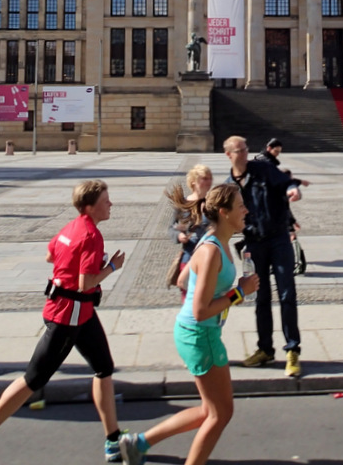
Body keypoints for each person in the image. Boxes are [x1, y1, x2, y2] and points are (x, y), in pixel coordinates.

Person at [0, 180, 126, 465]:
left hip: (78, 311)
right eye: (106, 199)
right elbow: (85, 282)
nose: (110, 203)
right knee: (33, 379)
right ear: (90, 206)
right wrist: (111, 267)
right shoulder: (90, 235)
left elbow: (51, 254)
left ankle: (113, 441)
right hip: (69, 316)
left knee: (104, 368)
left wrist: (74, 266)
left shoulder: (70, 227)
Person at [118, 184, 259, 465]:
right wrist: (237, 293)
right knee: (221, 414)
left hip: (200, 333)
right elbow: (199, 311)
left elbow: (183, 281)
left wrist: (222, 295)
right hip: (199, 334)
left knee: (211, 410)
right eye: (241, 205)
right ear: (224, 212)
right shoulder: (211, 251)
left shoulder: (215, 242)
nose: (246, 210)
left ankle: (138, 444)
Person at [224, 135, 305, 377]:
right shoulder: (229, 185)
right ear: (228, 155)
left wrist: (293, 190)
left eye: (245, 148)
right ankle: (265, 349)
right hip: (253, 244)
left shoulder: (263, 169)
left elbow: (285, 183)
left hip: (278, 239)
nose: (244, 154)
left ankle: (292, 351)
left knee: (287, 294)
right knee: (260, 298)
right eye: (239, 150)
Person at [168, 165, 213, 299]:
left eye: (210, 178)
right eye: (204, 178)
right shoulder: (183, 204)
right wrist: (179, 235)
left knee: (208, 297)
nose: (208, 182)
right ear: (193, 181)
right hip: (189, 257)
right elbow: (171, 228)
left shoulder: (213, 203)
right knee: (189, 297)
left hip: (209, 258)